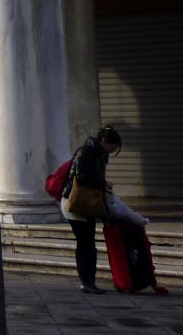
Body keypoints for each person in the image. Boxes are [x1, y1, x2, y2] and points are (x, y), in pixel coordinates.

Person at [61, 125, 121, 293]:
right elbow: (82, 177)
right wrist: (102, 183)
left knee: (88, 243)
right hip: (75, 204)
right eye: (112, 147)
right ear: (104, 141)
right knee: (85, 243)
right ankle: (86, 282)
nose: (112, 151)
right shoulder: (86, 153)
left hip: (86, 205)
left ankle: (88, 281)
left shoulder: (99, 155)